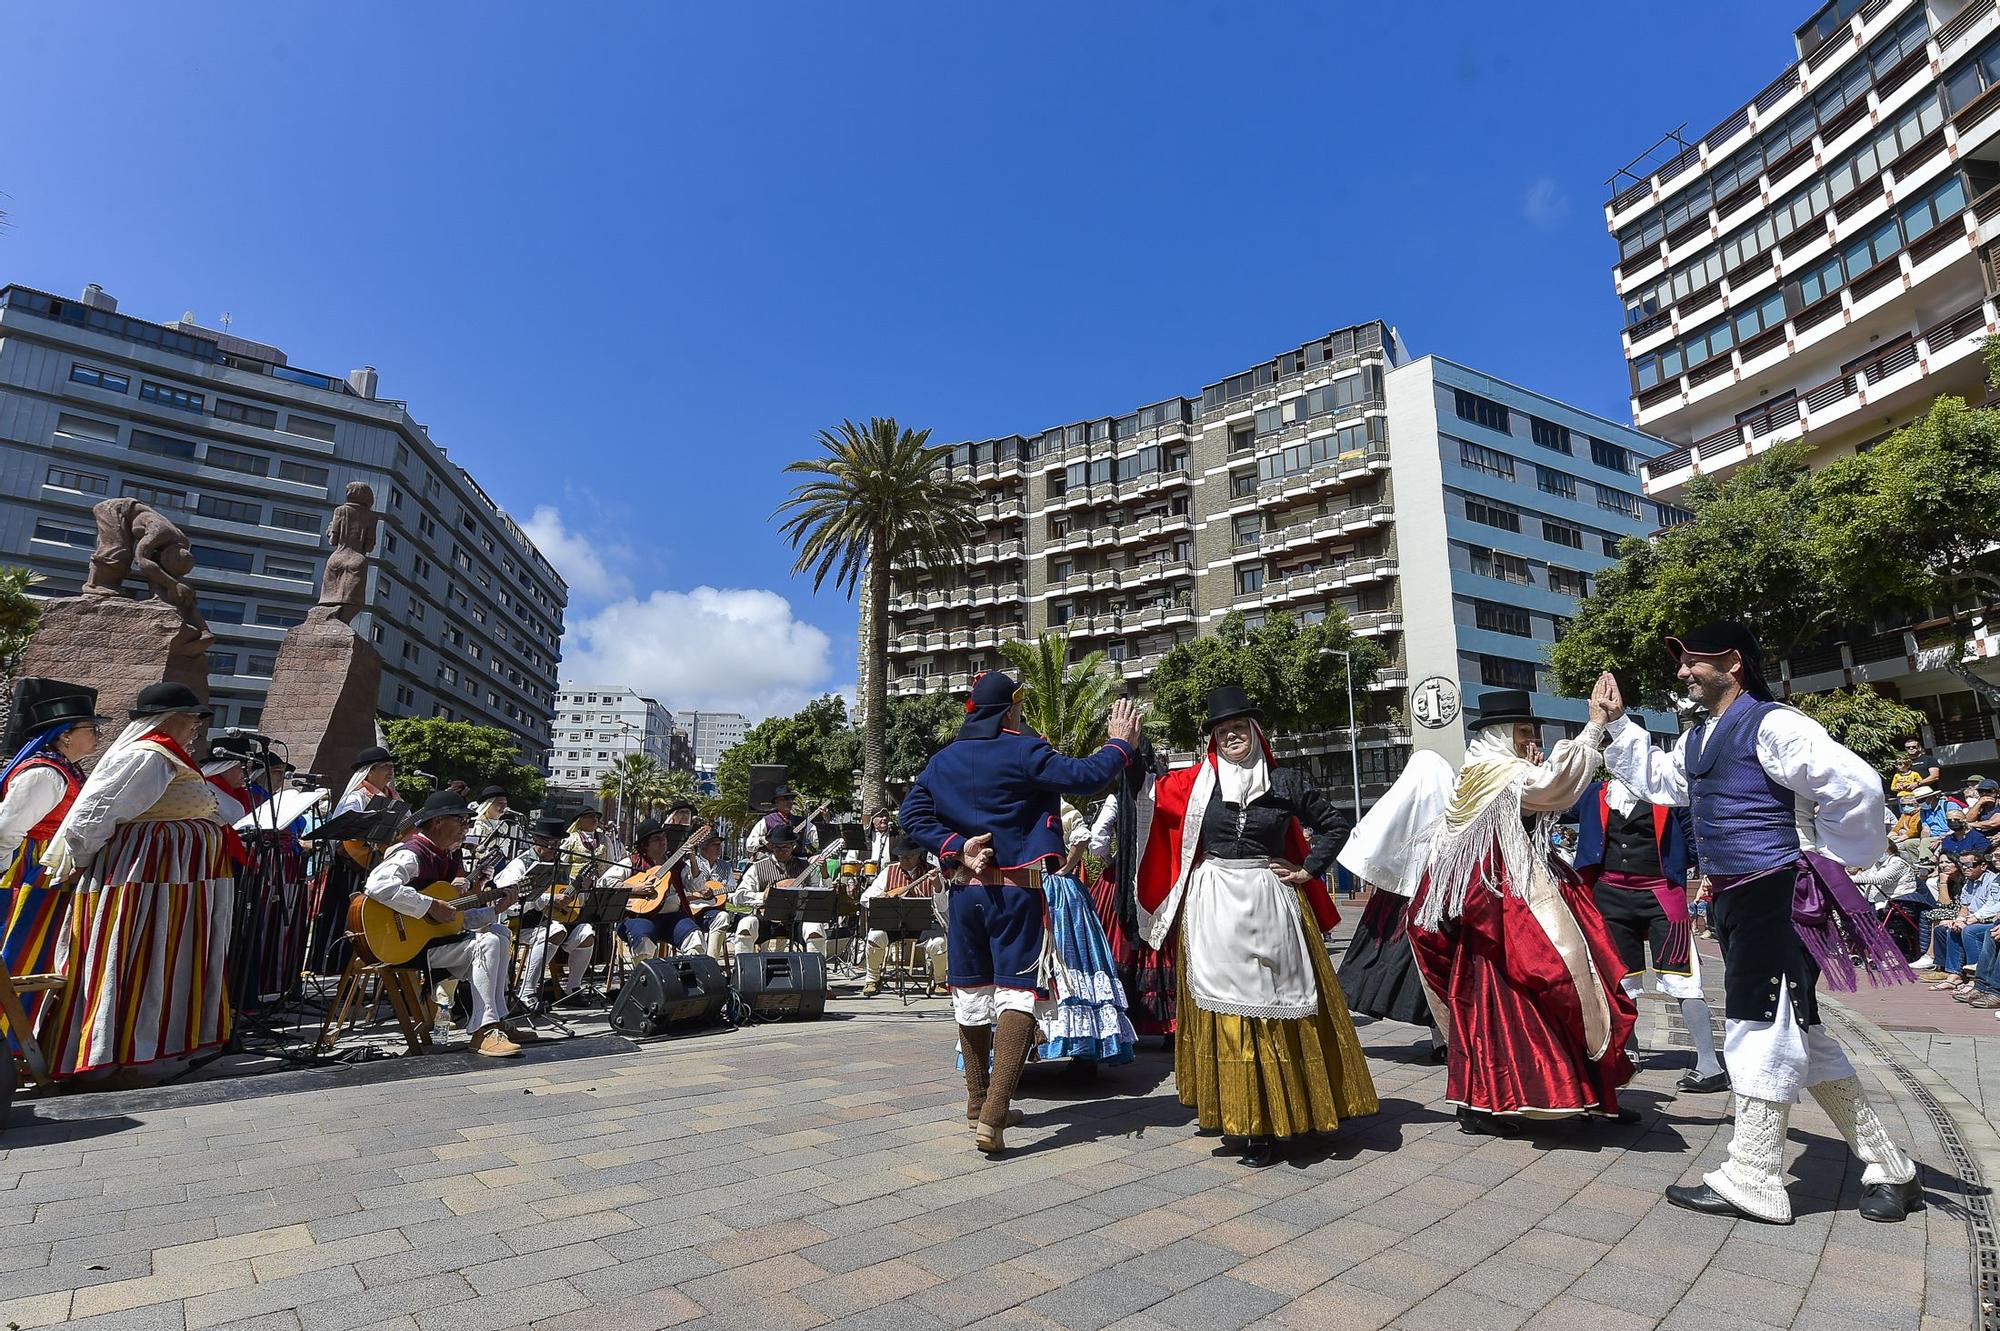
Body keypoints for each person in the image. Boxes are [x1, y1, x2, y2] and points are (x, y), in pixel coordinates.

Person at [1595, 621, 1922, 1225]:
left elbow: (1857, 785)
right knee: (1804, 1036)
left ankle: (1755, 1174)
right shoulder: (1701, 737)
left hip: (1778, 895)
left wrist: (1824, 857)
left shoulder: (1775, 723)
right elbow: (1664, 782)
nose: (1683, 672)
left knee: (1760, 1027)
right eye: (1682, 662)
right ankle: (1889, 1167)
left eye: (1694, 661)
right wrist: (1616, 725)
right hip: (1742, 900)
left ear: (1734, 662)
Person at [1135, 685, 1378, 1168]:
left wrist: (1308, 869)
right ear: (1213, 739)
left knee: (1278, 1002)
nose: (1230, 736)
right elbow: (1145, 795)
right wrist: (1128, 747)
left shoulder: (1284, 782)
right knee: (1225, 1009)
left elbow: (1334, 824)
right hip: (1214, 904)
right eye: (1222, 731)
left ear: (1254, 732)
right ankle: (1244, 1119)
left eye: (1238, 728)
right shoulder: (1196, 784)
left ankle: (1287, 1109)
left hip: (1270, 899)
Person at [901, 670, 1141, 1154]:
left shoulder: (943, 760)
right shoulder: (1022, 749)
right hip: (1017, 892)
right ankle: (993, 1115)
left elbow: (911, 816)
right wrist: (1120, 744)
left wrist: (955, 846)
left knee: (971, 994)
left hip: (965, 893)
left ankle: (977, 1103)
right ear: (1010, 708)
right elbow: (1087, 776)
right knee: (1017, 994)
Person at [1407, 690, 1638, 1137]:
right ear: (1499, 735)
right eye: (1523, 732)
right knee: (1547, 982)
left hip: (1510, 897)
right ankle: (1519, 1099)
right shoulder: (1498, 773)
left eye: (1532, 732)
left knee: (1551, 990)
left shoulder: (1482, 773)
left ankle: (1575, 1095)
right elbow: (1552, 788)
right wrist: (1593, 729)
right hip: (1505, 905)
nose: (1531, 739)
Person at [39, 683, 235, 1082]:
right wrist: (76, 860)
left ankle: (156, 1045)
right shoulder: (147, 756)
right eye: (189, 716)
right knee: (140, 954)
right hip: (144, 878)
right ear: (167, 719)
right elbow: (96, 814)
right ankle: (117, 1050)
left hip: (173, 880)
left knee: (166, 957)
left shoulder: (168, 756)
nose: (195, 725)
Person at [1569, 761, 1726, 1093]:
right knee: (1620, 978)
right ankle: (1629, 1050)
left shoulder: (1669, 796)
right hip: (1610, 896)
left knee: (1682, 975)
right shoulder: (1595, 794)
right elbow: (1552, 803)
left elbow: (1695, 838)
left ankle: (1710, 1064)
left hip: (1661, 895)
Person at [362, 790, 523, 1057]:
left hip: (433, 942)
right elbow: (378, 885)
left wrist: (497, 908)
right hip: (403, 945)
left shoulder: (446, 857)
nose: (466, 828)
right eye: (460, 821)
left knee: (499, 932)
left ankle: (496, 1020)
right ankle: (483, 1029)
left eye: (467, 822)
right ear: (438, 821)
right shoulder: (412, 852)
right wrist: (428, 905)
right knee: (490, 941)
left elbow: (456, 918)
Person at [0, 679, 106, 1047]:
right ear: (64, 736)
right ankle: (8, 1040)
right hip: (28, 873)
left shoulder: (65, 770)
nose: (97, 736)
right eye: (91, 729)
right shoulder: (46, 773)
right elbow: (7, 828)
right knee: (17, 952)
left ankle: (19, 1039)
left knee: (34, 953)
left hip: (43, 871)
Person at [1335, 749, 1454, 1063]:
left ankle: (1441, 1038)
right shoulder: (1454, 800)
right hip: (1440, 898)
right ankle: (1446, 1037)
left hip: (1398, 900)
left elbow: (1372, 830)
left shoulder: (1404, 794)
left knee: (1401, 967)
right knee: (1440, 970)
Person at [1079, 741, 1177, 1041]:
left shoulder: (1116, 799)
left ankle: (1124, 1022)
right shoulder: (1165, 792)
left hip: (1120, 882)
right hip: (1161, 879)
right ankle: (1169, 1028)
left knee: (1114, 945)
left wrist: (1113, 862)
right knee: (1162, 945)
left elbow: (1097, 840)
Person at [506, 814, 596, 1007]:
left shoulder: (559, 865)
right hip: (522, 921)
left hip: (554, 920)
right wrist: (550, 899)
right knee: (555, 931)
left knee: (586, 932)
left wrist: (580, 887)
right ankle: (527, 992)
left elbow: (565, 895)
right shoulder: (519, 865)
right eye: (549, 842)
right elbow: (510, 901)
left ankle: (573, 989)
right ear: (535, 840)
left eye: (557, 842)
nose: (554, 846)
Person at [859, 835, 946, 996]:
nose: (903, 860)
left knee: (939, 943)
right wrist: (882, 899)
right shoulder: (889, 871)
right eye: (901, 857)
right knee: (874, 937)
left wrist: (938, 887)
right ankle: (872, 979)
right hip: (893, 923)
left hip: (923, 924)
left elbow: (942, 907)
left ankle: (940, 981)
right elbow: (865, 898)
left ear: (918, 855)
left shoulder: (931, 872)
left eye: (908, 857)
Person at [731, 824, 814, 955]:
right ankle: (744, 971)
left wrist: (825, 874)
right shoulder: (757, 868)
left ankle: (814, 972)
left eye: (785, 847)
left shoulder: (806, 867)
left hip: (798, 920)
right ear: (771, 846)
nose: (781, 851)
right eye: (776, 847)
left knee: (816, 929)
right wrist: (763, 896)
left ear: (793, 846)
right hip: (767, 919)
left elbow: (819, 893)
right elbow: (738, 896)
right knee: (745, 926)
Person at [1931, 850, 2000, 996]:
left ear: (1983, 866)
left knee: (1970, 931)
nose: (1965, 868)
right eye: (1962, 865)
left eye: (1970, 864)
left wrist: (1968, 921)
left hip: (1988, 920)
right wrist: (1960, 920)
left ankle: (1975, 979)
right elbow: (1965, 907)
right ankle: (1954, 975)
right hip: (1976, 918)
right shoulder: (1969, 882)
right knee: (1948, 929)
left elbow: (1993, 909)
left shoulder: (1991, 880)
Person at [746, 785, 820, 857]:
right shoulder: (767, 820)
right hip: (773, 862)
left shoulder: (801, 822)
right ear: (777, 802)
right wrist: (763, 840)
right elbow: (749, 844)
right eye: (785, 799)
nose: (789, 802)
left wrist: (826, 820)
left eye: (791, 799)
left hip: (797, 862)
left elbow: (817, 839)